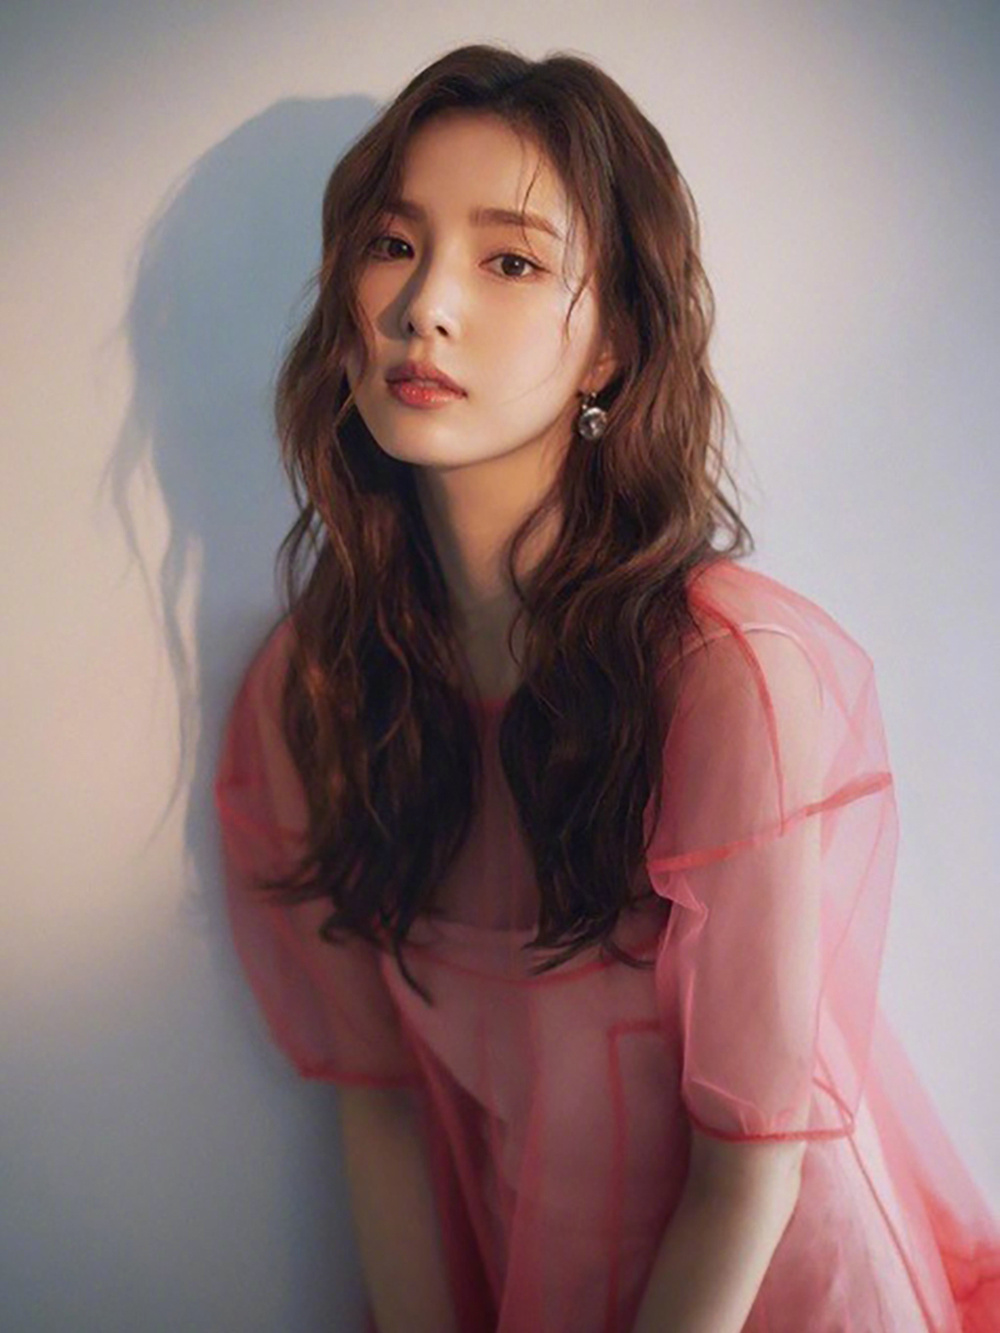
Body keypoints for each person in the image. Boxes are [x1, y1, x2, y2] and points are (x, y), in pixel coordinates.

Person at [213, 43, 1000, 1333]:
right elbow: (382, 1106)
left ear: (610, 350)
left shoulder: (721, 678)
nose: (426, 308)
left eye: (511, 262)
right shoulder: (317, 689)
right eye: (393, 246)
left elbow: (751, 1170)